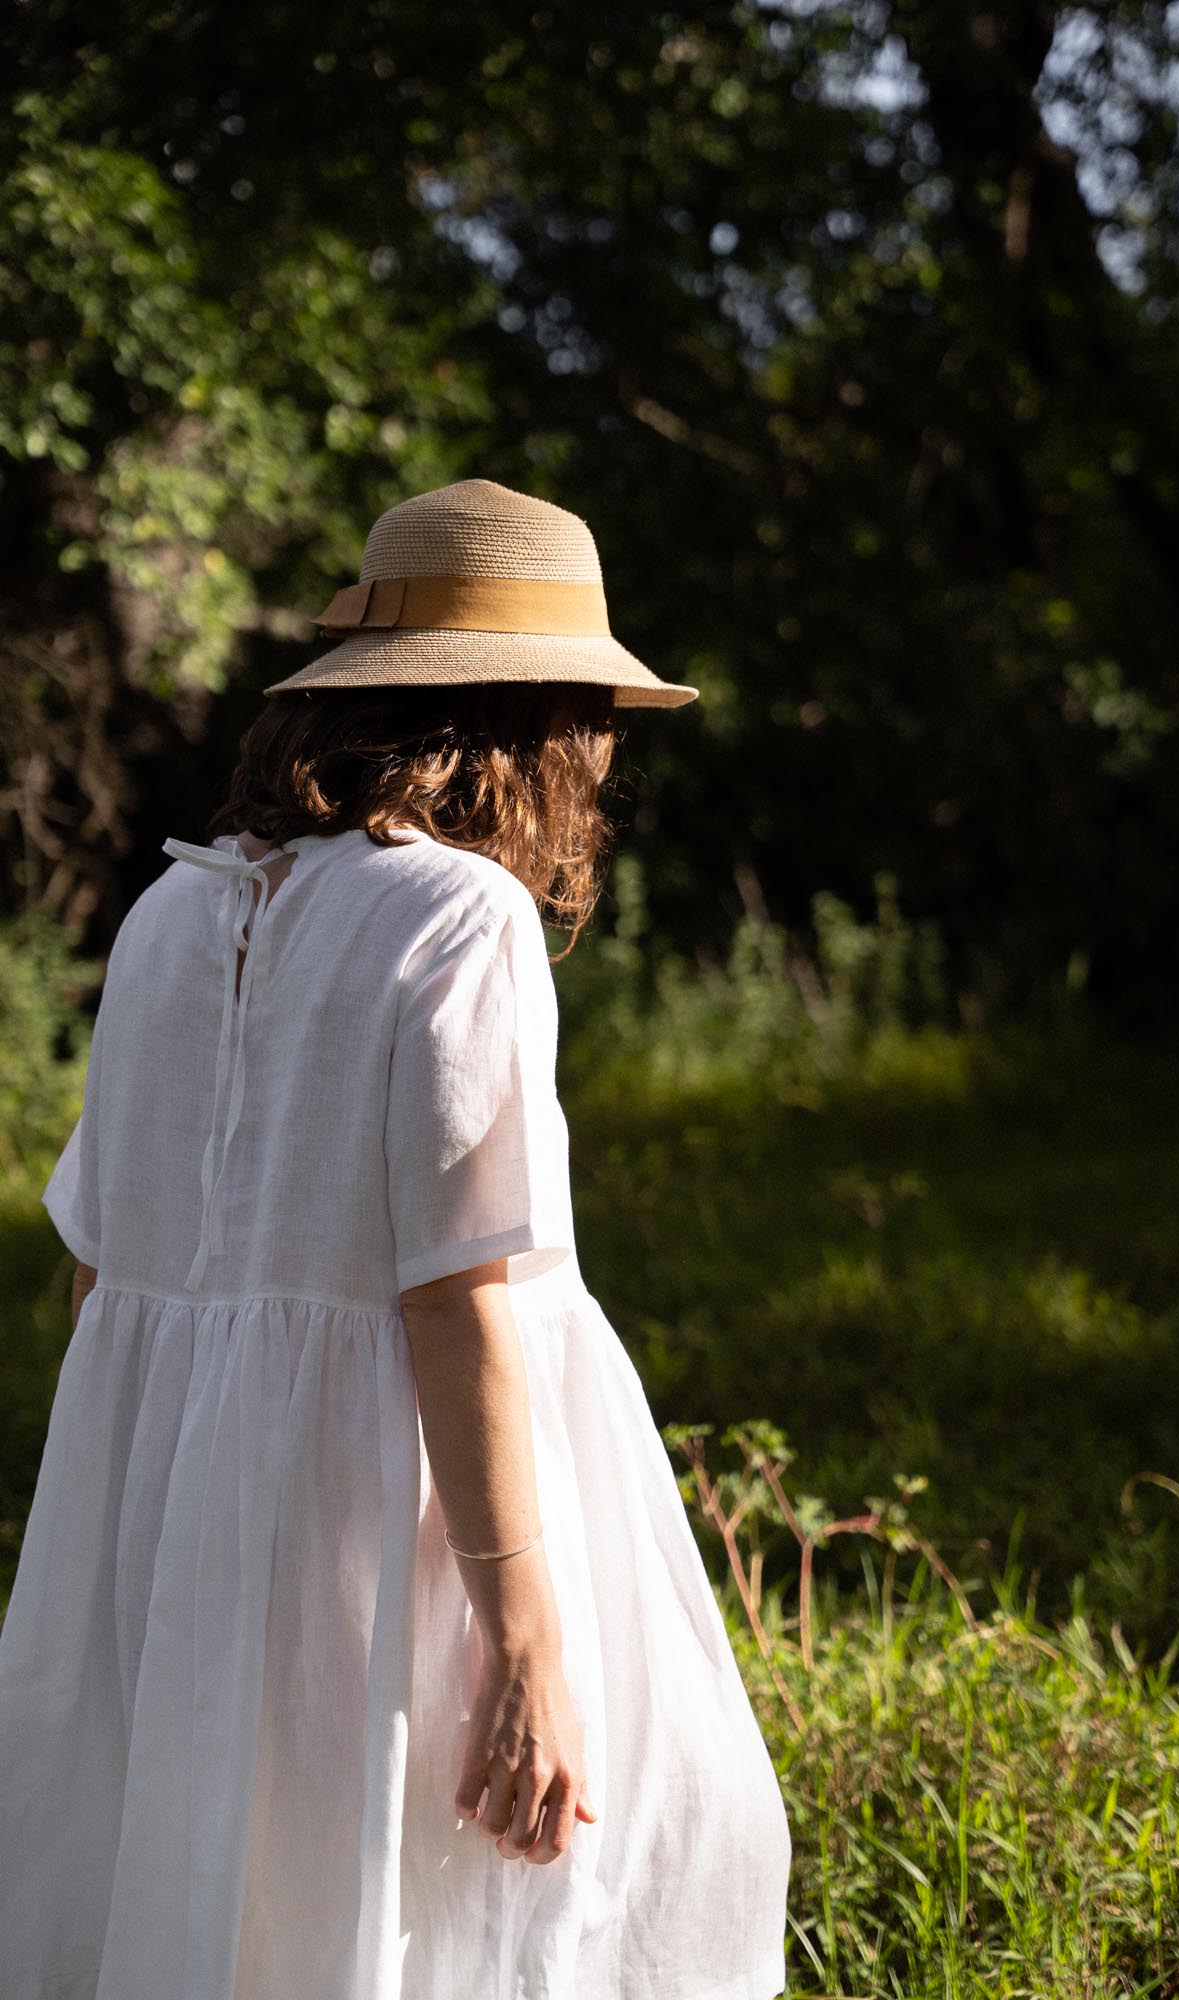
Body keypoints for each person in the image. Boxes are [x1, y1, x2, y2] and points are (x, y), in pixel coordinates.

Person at [0, 479, 792, 2000]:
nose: (609, 750)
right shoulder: (457, 918)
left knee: (238, 1886)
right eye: (596, 712)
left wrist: (186, 1532)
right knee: (488, 1893)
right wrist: (526, 1637)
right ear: (537, 723)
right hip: (409, 1512)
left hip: (186, 1516)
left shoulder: (168, 911)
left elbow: (101, 1271)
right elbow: (459, 1294)